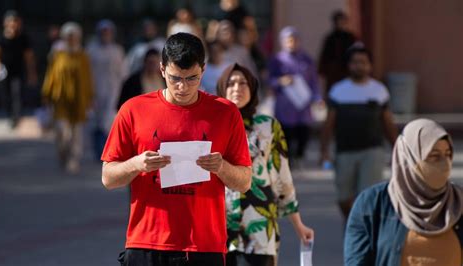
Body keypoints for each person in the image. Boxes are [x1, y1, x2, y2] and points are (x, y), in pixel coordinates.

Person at [101, 32, 252, 266]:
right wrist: (137, 164)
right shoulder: (133, 110)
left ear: (203, 69)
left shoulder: (225, 113)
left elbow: (244, 182)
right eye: (175, 78)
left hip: (204, 245)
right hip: (146, 243)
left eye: (192, 78)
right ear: (162, 69)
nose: (183, 87)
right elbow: (108, 178)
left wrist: (221, 167)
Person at [217, 63, 314, 266]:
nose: (237, 88)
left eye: (243, 83)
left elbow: (282, 179)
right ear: (222, 89)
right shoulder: (210, 124)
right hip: (218, 228)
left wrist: (298, 225)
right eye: (231, 83)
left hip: (259, 227)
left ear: (252, 88)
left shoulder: (268, 126)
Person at [344, 118, 463, 265]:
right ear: (410, 159)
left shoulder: (459, 204)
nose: (445, 164)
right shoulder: (371, 204)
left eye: (448, 154)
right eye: (434, 156)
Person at [320, 44, 398, 221]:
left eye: (363, 62)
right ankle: (352, 225)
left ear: (369, 65)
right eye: (355, 62)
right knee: (343, 199)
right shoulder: (338, 91)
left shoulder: (379, 91)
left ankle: (366, 235)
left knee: (369, 197)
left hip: (372, 151)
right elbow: (328, 124)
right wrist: (324, 151)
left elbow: (388, 123)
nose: (359, 65)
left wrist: (397, 148)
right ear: (349, 65)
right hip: (345, 152)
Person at [42, 22, 94, 173]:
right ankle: (63, 154)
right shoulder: (58, 54)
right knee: (61, 130)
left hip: (79, 98)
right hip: (61, 98)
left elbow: (88, 78)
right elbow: (51, 74)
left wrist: (90, 97)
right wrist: (46, 93)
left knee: (77, 131)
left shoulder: (83, 55)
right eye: (68, 36)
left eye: (74, 36)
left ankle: (74, 158)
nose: (71, 39)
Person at [268, 26, 322, 165]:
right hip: (284, 106)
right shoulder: (277, 60)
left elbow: (314, 82)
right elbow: (269, 80)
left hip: (303, 107)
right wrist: (281, 81)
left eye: (295, 39)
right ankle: (288, 163)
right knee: (285, 136)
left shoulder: (307, 60)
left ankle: (299, 158)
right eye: (289, 40)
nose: (292, 43)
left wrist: (318, 98)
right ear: (283, 42)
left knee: (303, 134)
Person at [87, 19, 127, 159]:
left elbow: (123, 73)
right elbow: (87, 72)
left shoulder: (117, 50)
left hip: (113, 90)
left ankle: (108, 151)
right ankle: (98, 151)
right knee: (96, 121)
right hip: (95, 89)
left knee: (110, 120)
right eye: (103, 32)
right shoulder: (91, 50)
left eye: (108, 32)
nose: (106, 34)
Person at [0, 10, 37, 128]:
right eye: (10, 21)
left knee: (17, 93)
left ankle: (16, 116)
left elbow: (29, 57)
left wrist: (31, 73)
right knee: (6, 94)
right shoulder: (2, 37)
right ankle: (10, 115)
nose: (13, 24)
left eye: (15, 21)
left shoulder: (24, 38)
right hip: (5, 71)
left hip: (19, 70)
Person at [318, 10, 356, 98]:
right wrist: (323, 70)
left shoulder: (350, 37)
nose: (341, 23)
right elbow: (324, 56)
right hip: (333, 72)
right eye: (339, 21)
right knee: (333, 93)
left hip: (347, 71)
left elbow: (355, 53)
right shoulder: (330, 38)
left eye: (343, 21)